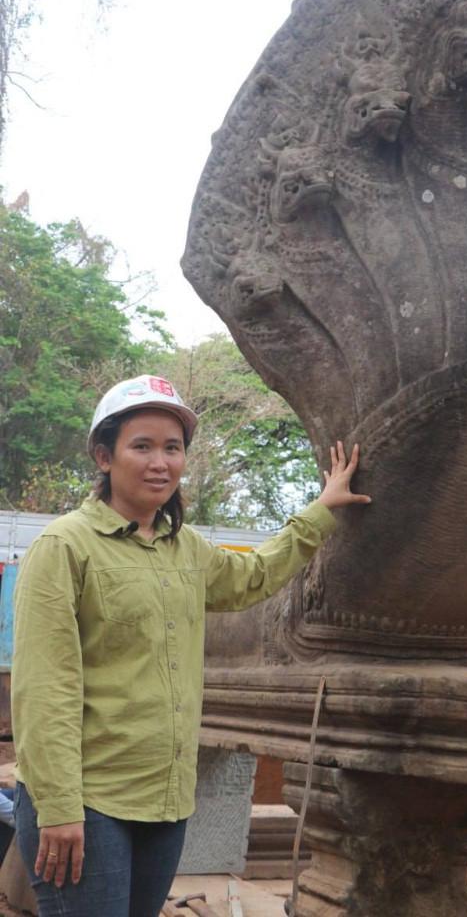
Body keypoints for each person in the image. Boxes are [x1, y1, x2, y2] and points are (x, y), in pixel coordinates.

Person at [11, 374, 371, 917]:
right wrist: (59, 809)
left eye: (173, 448)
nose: (161, 462)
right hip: (87, 804)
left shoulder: (185, 549)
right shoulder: (64, 547)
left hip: (164, 803)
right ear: (104, 456)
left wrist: (322, 509)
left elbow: (252, 576)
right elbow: (45, 689)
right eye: (143, 446)